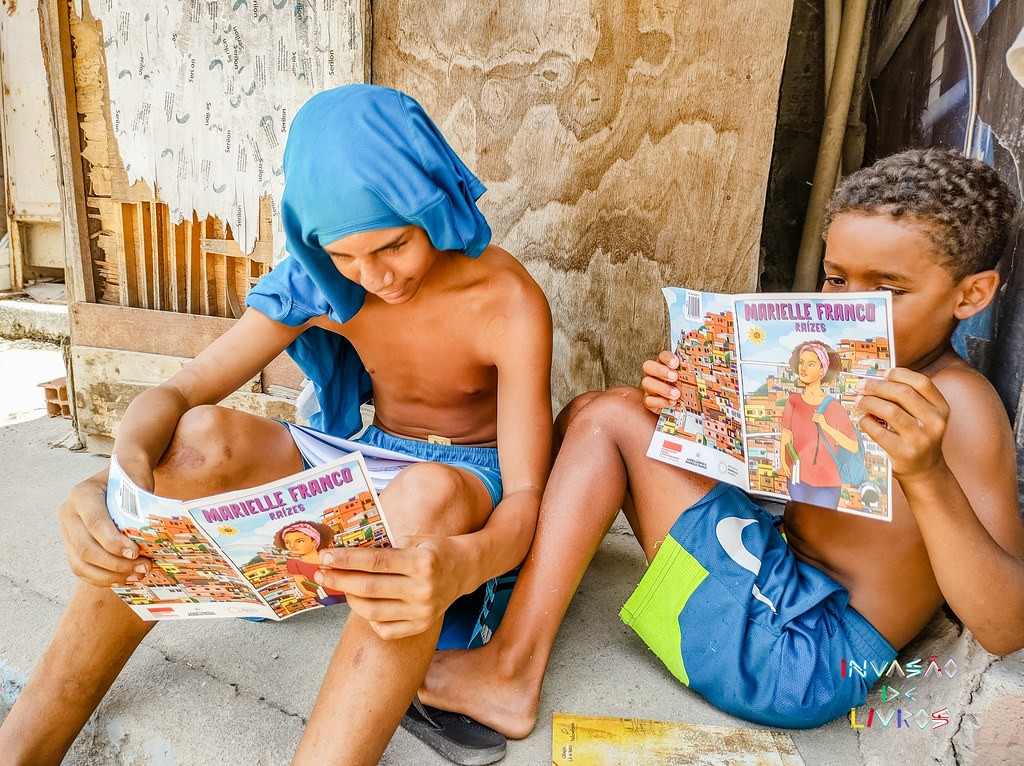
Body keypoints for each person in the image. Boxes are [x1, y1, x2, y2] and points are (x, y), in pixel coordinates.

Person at [0, 85, 552, 766]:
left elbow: (528, 498)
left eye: (393, 246)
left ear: (430, 199)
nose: (373, 277)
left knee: (426, 494)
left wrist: (463, 560)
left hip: (466, 485)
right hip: (361, 462)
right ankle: (22, 747)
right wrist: (120, 483)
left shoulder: (508, 302)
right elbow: (179, 393)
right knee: (201, 439)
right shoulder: (324, 278)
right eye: (344, 256)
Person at [418, 147, 1024, 735]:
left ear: (970, 295)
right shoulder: (832, 371)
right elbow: (778, 477)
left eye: (888, 290)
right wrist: (692, 412)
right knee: (594, 414)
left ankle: (509, 670)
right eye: (836, 280)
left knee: (608, 421)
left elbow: (1004, 627)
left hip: (807, 657)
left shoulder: (960, 406)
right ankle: (516, 590)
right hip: (779, 577)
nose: (849, 306)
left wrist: (925, 476)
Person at [778, 340, 858, 508]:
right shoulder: (792, 402)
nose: (803, 368)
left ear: (822, 370)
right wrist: (784, 462)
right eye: (801, 362)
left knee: (822, 524)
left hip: (827, 483)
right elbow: (786, 435)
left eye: (811, 364)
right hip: (797, 478)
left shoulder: (834, 406)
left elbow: (852, 446)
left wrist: (826, 426)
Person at [275, 520, 346, 606]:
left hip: (344, 589)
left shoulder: (327, 555)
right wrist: (306, 591)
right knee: (329, 602)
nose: (292, 546)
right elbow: (299, 580)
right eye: (287, 542)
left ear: (314, 542)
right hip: (324, 595)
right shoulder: (293, 563)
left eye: (299, 541)